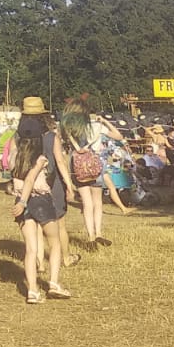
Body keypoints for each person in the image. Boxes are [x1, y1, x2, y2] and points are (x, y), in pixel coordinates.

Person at [11, 121, 71, 302]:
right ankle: (53, 283)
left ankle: (33, 291)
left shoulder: (15, 157)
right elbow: (30, 179)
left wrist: (20, 200)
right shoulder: (40, 158)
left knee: (31, 249)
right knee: (54, 243)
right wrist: (23, 201)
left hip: (23, 204)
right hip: (39, 201)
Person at [60, 97, 129, 247]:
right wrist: (104, 121)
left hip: (77, 166)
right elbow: (119, 136)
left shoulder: (68, 127)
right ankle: (99, 233)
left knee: (87, 203)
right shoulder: (96, 126)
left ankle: (90, 236)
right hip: (95, 165)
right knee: (98, 202)